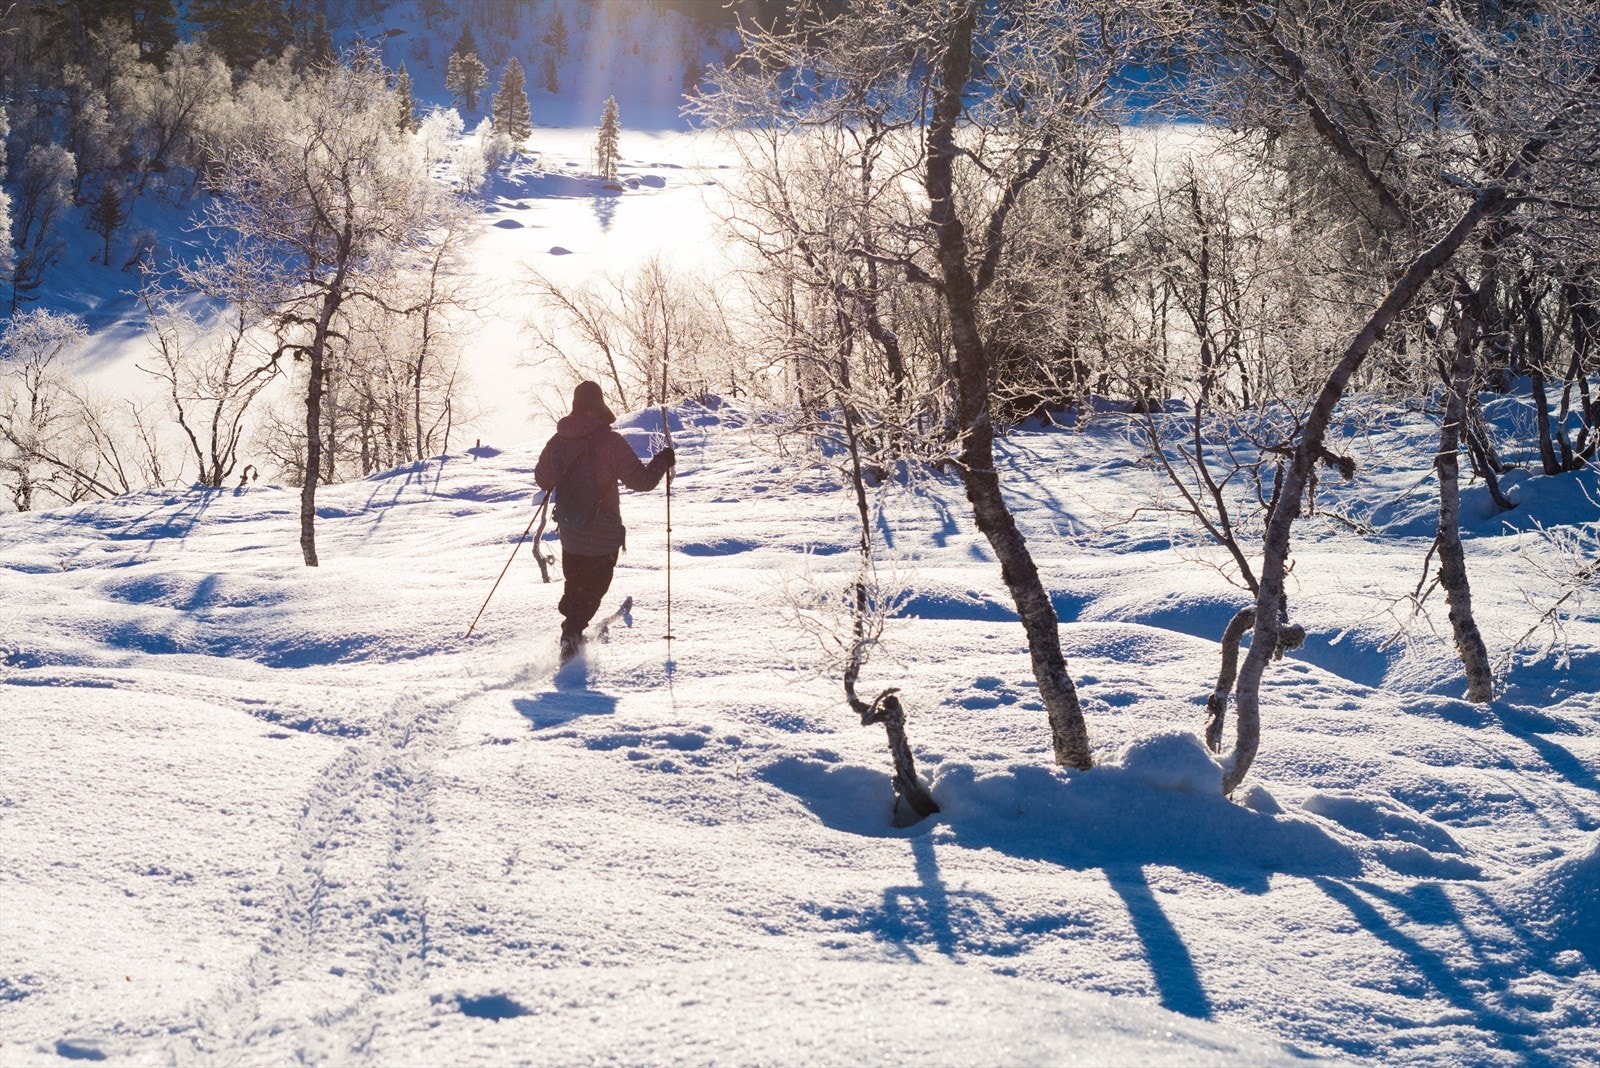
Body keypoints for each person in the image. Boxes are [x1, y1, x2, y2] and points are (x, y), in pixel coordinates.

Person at [534, 381, 674, 660]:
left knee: (576, 584)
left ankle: (572, 629)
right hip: (603, 534)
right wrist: (663, 460)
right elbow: (643, 481)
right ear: (598, 406)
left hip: (570, 532)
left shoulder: (557, 441)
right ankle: (572, 634)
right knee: (594, 589)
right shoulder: (610, 442)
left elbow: (542, 479)